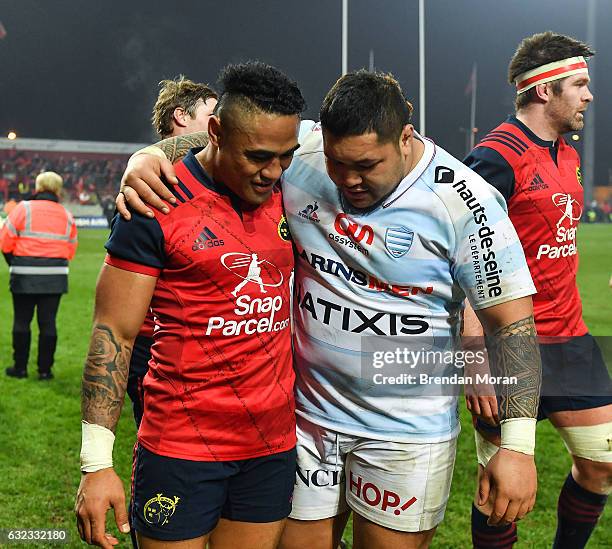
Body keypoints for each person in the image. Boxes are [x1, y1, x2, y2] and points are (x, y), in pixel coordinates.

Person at [117, 70, 544, 549]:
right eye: (338, 164)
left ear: (406, 139)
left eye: (366, 165)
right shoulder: (302, 149)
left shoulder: (468, 203)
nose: (348, 180)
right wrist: (149, 155)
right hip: (306, 420)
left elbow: (513, 326)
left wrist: (518, 447)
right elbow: (215, 142)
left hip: (406, 431)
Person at [74, 62, 304, 549]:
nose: (273, 171)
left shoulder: (292, 190)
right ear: (215, 131)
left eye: (286, 156)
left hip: (271, 443)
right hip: (181, 443)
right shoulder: (155, 202)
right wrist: (96, 464)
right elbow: (113, 332)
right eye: (259, 156)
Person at [464, 32, 611, 549]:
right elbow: (461, 259)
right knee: (503, 494)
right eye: (580, 84)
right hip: (510, 345)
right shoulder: (495, 159)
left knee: (601, 466)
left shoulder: (565, 155)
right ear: (544, 90)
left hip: (570, 338)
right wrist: (474, 358)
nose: (589, 95)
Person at [127, 76, 218, 429]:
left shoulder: (213, 175)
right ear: (181, 116)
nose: (221, 124)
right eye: (213, 114)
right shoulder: (151, 184)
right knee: (162, 441)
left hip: (211, 343)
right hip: (157, 345)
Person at [1, 171, 78, 380]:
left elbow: (5, 242)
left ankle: (20, 368)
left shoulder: (22, 209)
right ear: (58, 189)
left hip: (24, 274)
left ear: (37, 187)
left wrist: (16, 264)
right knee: (48, 323)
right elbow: (70, 250)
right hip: (55, 276)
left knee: (21, 322)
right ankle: (45, 371)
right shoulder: (66, 215)